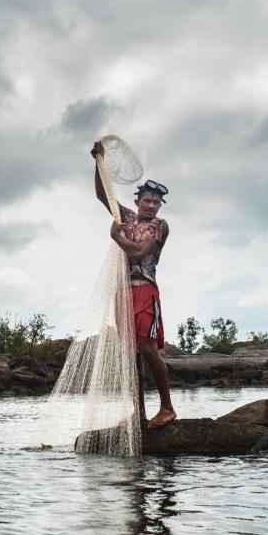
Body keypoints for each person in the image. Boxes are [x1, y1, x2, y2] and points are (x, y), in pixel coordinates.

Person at [91, 141, 177, 430]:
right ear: (138, 200)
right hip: (123, 292)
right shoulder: (126, 217)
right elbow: (103, 194)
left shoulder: (159, 226)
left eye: (156, 202)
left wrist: (117, 238)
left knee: (148, 348)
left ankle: (167, 408)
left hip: (144, 290)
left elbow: (139, 252)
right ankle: (138, 413)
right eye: (148, 200)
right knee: (131, 355)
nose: (152, 205)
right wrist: (99, 162)